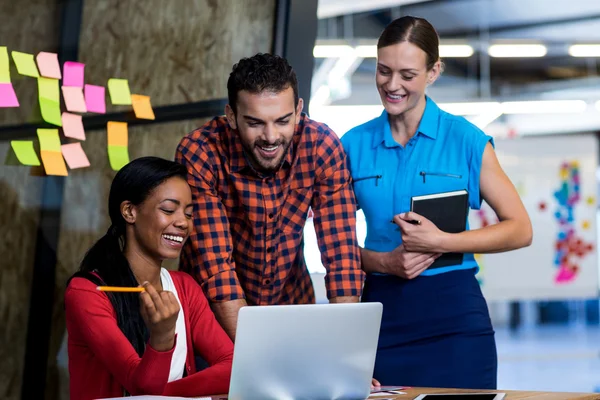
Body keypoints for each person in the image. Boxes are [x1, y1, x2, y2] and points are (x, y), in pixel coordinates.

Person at [341, 16, 533, 389]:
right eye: (383, 71)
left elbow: (520, 228)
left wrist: (442, 241)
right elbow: (333, 242)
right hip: (381, 316)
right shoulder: (353, 145)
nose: (392, 85)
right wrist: (384, 262)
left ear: (434, 72)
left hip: (456, 320)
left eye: (407, 75)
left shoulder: (466, 140)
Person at [174, 53, 365, 341]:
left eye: (283, 121)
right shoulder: (201, 152)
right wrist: (257, 356)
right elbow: (216, 270)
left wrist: (347, 354)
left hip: (291, 311)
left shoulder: (321, 146)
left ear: (299, 111)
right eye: (255, 123)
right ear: (231, 116)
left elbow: (342, 259)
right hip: (213, 325)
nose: (271, 136)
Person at [64, 157, 233, 400]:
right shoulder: (88, 291)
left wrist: (169, 395)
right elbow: (142, 389)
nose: (183, 223)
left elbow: (230, 366)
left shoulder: (185, 287)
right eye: (168, 210)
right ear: (129, 211)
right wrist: (162, 336)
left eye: (188, 213)